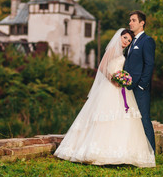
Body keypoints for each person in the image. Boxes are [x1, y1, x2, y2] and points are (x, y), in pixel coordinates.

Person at [54, 28, 156, 168]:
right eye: (125, 38)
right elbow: (102, 66)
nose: (126, 41)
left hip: (122, 89)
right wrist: (113, 79)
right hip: (110, 87)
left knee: (124, 119)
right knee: (106, 118)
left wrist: (123, 79)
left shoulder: (122, 52)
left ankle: (122, 154)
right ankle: (100, 152)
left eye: (129, 40)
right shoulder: (113, 50)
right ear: (119, 36)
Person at [124, 10, 156, 153]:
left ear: (142, 23)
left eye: (133, 20)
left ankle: (150, 153)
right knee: (131, 121)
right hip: (128, 88)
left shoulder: (147, 41)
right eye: (130, 20)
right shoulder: (131, 42)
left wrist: (143, 85)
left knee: (144, 120)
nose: (130, 23)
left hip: (140, 89)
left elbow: (149, 64)